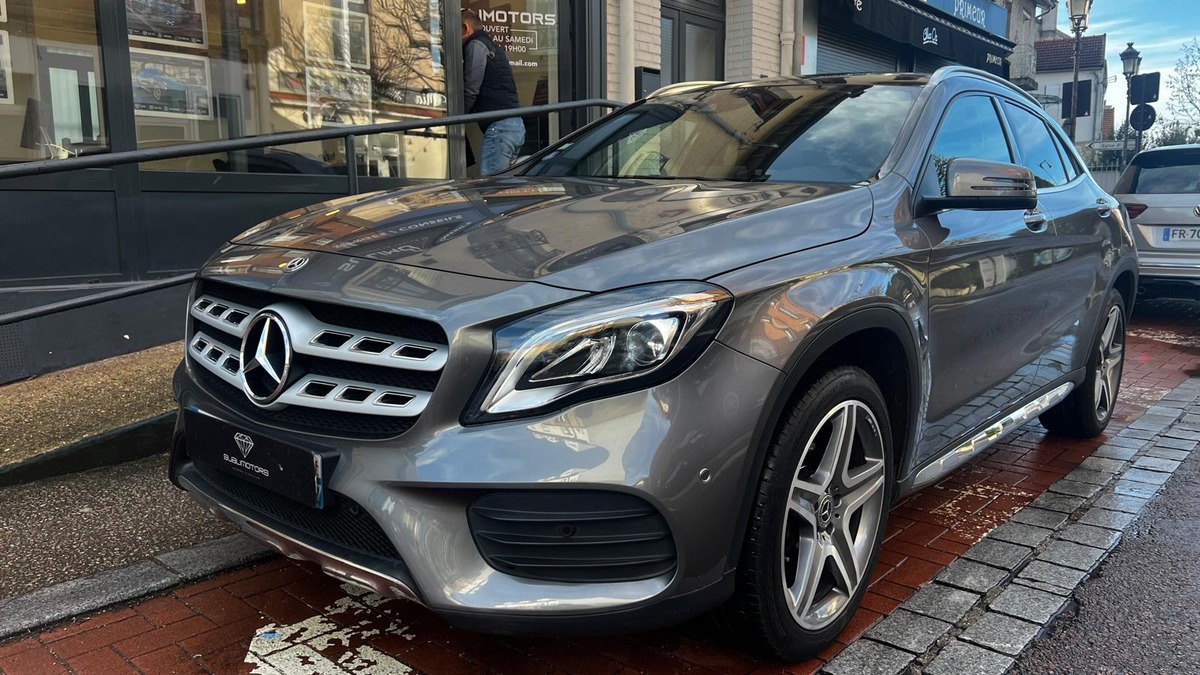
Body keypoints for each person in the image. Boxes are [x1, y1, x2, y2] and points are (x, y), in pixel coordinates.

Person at [461, 9, 525, 175]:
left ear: (465, 28)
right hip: (514, 126)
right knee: (502, 185)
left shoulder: (476, 45)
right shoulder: (492, 47)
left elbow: (471, 88)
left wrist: (456, 118)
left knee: (491, 186)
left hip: (501, 128)